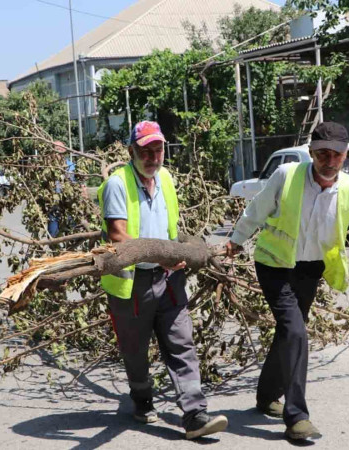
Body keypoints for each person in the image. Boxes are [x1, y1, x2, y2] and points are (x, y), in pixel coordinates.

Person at [225, 122, 349, 441]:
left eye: (336, 155)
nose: (328, 161)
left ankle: (265, 397)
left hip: (310, 270)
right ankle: (297, 416)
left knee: (289, 332)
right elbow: (257, 209)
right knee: (295, 332)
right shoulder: (287, 176)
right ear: (311, 153)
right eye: (322, 154)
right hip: (273, 265)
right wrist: (236, 239)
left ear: (345, 157)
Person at [98, 121, 228, 440]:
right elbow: (117, 234)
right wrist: (160, 253)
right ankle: (141, 397)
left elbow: (171, 227)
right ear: (132, 152)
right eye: (146, 150)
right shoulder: (118, 184)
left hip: (170, 279)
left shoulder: (166, 178)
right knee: (135, 351)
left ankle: (195, 414)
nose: (153, 156)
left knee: (181, 342)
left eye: (158, 149)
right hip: (132, 284)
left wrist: (183, 249)